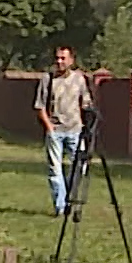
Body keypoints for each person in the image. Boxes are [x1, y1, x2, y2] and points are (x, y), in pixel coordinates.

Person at [33, 45, 94, 217]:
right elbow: (40, 106)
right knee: (55, 169)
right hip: (55, 131)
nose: (59, 61)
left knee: (80, 167)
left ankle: (69, 197)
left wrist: (87, 123)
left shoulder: (79, 79)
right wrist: (49, 127)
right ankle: (60, 207)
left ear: (71, 60)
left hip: (75, 130)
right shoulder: (48, 79)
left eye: (63, 58)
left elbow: (86, 103)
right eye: (57, 58)